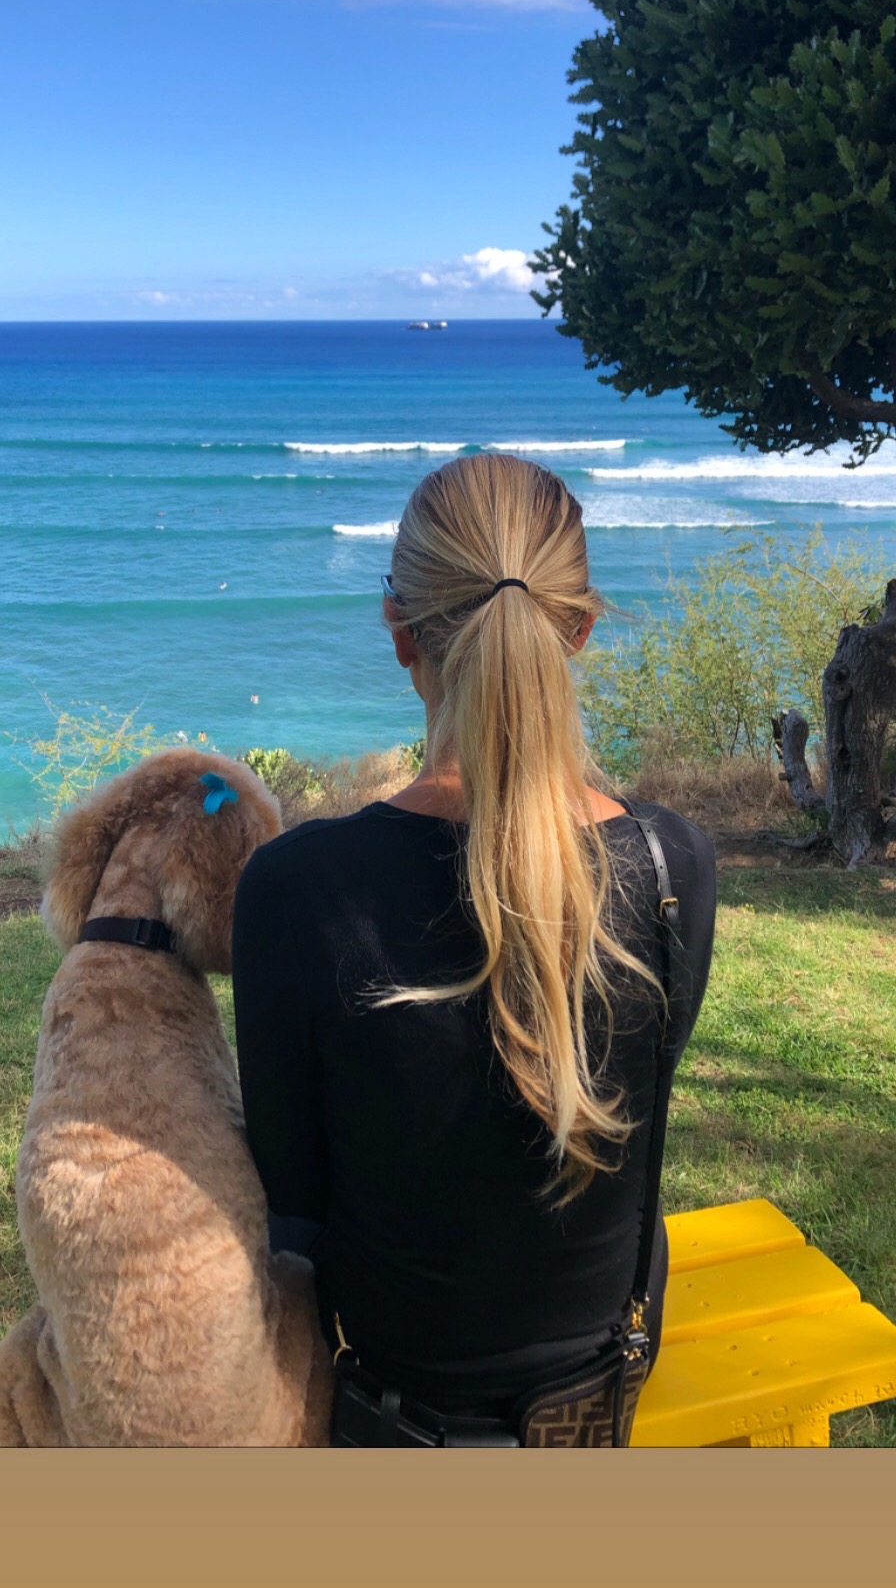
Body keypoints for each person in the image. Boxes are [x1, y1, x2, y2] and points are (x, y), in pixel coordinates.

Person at [231, 453, 716, 1445]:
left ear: (398, 631)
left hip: (386, 1418)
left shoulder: (297, 888)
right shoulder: (673, 864)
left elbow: (291, 1204)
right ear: (578, 629)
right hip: (602, 1401)